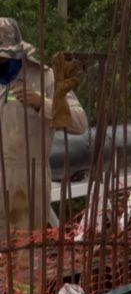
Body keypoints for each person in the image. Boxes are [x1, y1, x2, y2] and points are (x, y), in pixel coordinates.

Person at [0, 18, 88, 233]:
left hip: (27, 182)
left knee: (22, 255)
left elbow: (80, 122)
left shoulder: (44, 78)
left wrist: (43, 103)